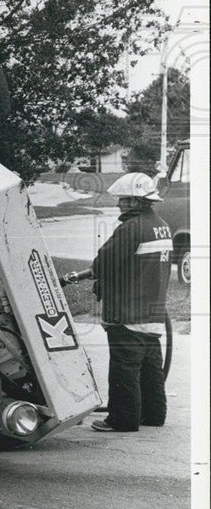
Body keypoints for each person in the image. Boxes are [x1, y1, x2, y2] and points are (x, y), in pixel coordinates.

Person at [88, 172, 172, 432]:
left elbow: (103, 263)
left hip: (127, 312)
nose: (119, 205)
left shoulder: (130, 229)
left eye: (123, 200)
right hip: (153, 312)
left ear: (136, 201)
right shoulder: (161, 224)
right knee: (150, 368)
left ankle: (122, 419)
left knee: (124, 369)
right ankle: (153, 414)